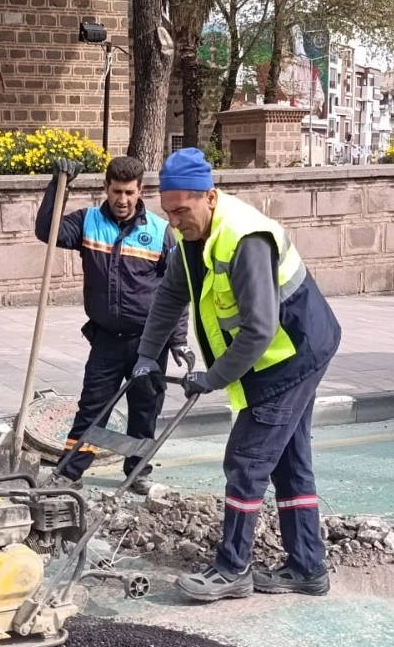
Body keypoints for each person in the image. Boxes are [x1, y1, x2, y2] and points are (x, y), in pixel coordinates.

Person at [132, 147, 342, 602]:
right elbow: (169, 297)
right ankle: (307, 567)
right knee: (288, 461)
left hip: (292, 354)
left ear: (209, 197)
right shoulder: (191, 240)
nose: (175, 223)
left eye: (182, 211)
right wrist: (147, 356)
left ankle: (232, 570)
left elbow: (260, 329)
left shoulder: (245, 240)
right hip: (278, 354)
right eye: (168, 213)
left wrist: (213, 378)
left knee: (246, 460)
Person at [35, 155, 193, 495]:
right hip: (106, 339)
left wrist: (178, 340)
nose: (122, 200)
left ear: (140, 191)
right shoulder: (87, 222)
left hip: (149, 342)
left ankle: (138, 472)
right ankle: (70, 472)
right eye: (117, 191)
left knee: (145, 410)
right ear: (105, 188)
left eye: (129, 192)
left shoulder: (159, 231)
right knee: (93, 408)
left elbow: (177, 290)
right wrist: (58, 186)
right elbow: (46, 231)